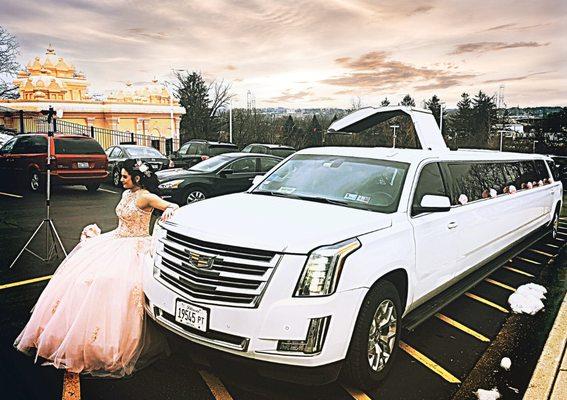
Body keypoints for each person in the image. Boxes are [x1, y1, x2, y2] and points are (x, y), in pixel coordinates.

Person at [14, 159, 180, 378]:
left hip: (137, 245)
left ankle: (113, 344)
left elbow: (173, 206)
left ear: (137, 178)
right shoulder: (126, 194)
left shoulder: (146, 196)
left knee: (118, 285)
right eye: (120, 176)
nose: (120, 180)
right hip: (117, 239)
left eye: (124, 177)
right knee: (83, 278)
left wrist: (168, 212)